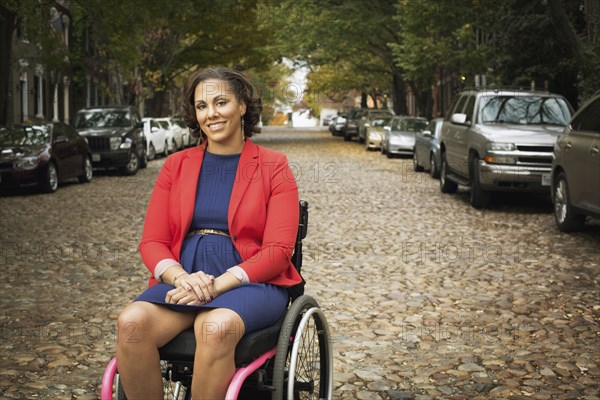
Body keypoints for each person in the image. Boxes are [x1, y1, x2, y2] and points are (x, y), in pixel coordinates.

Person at [116, 66, 302, 399]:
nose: (211, 114)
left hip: (251, 282)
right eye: (202, 106)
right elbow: (152, 242)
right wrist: (180, 278)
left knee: (213, 327)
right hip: (185, 281)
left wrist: (216, 286)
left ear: (242, 105)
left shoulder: (274, 166)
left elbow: (277, 251)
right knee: (131, 323)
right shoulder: (177, 165)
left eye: (220, 102)